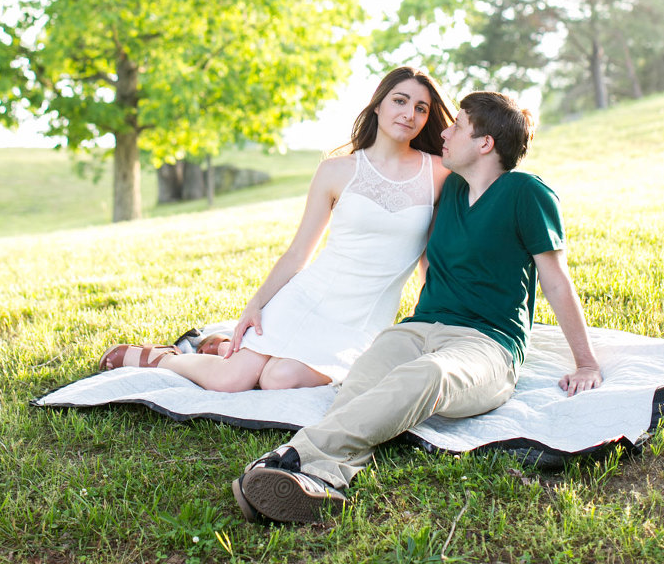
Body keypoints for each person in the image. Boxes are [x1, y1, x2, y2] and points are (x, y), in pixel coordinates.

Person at [233, 90, 603, 524]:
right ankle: (324, 479)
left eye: (458, 126)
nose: (444, 131)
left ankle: (290, 457)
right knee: (362, 385)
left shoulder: (527, 193)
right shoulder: (448, 191)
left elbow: (556, 281)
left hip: (487, 344)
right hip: (418, 329)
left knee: (427, 376)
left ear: (485, 143)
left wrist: (586, 363)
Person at [98, 66, 453, 392]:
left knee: (277, 380)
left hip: (360, 322)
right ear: (378, 105)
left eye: (421, 108)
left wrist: (430, 324)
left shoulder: (438, 173)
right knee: (231, 382)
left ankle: (223, 348)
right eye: (400, 100)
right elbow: (300, 252)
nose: (409, 113)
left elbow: (430, 262)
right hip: (307, 298)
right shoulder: (336, 171)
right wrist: (255, 305)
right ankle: (166, 358)